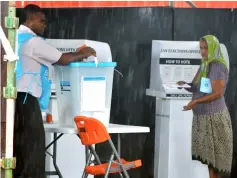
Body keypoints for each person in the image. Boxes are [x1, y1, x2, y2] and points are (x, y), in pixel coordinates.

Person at [14, 4, 96, 178]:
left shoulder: (14, 38)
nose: (45, 25)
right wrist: (84, 52)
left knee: (18, 150)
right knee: (33, 152)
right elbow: (63, 59)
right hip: (27, 101)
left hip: (11, 101)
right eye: (41, 21)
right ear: (29, 20)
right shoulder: (33, 41)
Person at [177, 35, 233, 178]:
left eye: (206, 48)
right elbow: (199, 87)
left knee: (215, 163)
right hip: (203, 118)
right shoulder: (205, 65)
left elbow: (217, 93)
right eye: (201, 48)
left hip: (214, 119)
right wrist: (185, 85)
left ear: (213, 48)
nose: (203, 51)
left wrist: (195, 102)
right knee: (210, 162)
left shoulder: (217, 65)